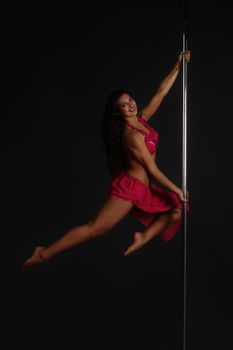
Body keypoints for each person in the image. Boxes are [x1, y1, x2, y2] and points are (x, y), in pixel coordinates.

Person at [22, 50, 191, 270]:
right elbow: (151, 167)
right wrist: (177, 188)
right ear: (118, 112)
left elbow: (161, 93)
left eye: (130, 99)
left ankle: (143, 237)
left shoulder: (142, 120)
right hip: (130, 189)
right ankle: (44, 253)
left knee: (178, 208)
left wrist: (178, 66)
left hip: (143, 189)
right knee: (95, 229)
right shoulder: (130, 134)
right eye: (123, 105)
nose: (130, 105)